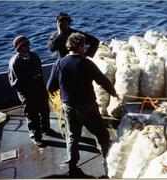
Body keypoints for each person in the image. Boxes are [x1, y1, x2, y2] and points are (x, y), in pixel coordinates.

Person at [47, 32, 118, 177]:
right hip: (88, 107)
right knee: (102, 134)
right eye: (83, 45)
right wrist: (114, 93)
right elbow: (103, 81)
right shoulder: (86, 63)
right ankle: (107, 160)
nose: (84, 48)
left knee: (72, 136)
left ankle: (72, 166)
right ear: (79, 46)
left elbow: (50, 87)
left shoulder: (58, 64)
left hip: (68, 107)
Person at [8, 35, 52, 147]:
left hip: (39, 90)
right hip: (27, 94)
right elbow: (15, 83)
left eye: (28, 44)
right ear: (19, 48)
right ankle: (35, 136)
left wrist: (43, 90)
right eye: (25, 45)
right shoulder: (15, 63)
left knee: (45, 110)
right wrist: (28, 93)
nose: (28, 46)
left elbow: (40, 75)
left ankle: (46, 129)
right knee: (32, 115)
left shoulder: (35, 57)